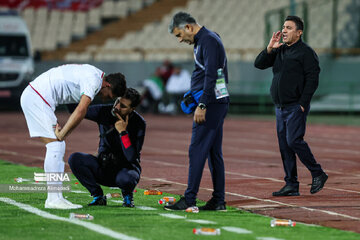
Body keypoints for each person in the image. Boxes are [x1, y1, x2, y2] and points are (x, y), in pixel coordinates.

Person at [20, 64, 126, 209]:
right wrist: (62, 134)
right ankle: (53, 199)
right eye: (108, 96)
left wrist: (63, 133)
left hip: (37, 96)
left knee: (57, 145)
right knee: (56, 145)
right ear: (107, 85)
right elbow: (81, 110)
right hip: (37, 98)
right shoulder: (94, 81)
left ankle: (56, 197)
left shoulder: (96, 75)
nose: (104, 99)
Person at [254, 16, 328, 196]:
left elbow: (313, 78)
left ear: (299, 32)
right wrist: (269, 48)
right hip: (280, 107)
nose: (284, 31)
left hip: (296, 106)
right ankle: (291, 185)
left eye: (288, 27)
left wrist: (303, 103)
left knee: (294, 141)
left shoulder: (306, 52)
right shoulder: (280, 50)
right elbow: (259, 64)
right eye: (283, 27)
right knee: (285, 146)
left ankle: (317, 172)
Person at [164, 12, 229, 211]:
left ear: (189, 27)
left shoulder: (207, 40)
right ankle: (218, 200)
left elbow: (211, 75)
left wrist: (202, 104)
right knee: (213, 153)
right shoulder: (207, 39)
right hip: (215, 101)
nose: (180, 39)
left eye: (179, 34)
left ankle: (190, 199)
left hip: (211, 103)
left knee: (197, 150)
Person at [68, 88, 145, 208]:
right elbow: (74, 110)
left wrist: (123, 132)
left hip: (124, 171)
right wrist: (71, 90)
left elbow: (131, 157)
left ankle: (127, 195)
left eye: (123, 106)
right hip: (103, 167)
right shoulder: (104, 111)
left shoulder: (139, 123)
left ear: (132, 109)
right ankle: (97, 196)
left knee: (127, 179)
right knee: (75, 159)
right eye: (118, 101)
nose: (117, 107)